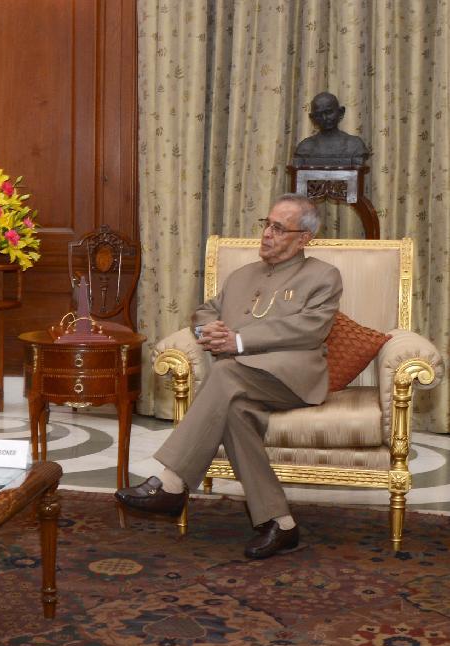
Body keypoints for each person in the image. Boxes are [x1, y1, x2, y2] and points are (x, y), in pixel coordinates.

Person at [115, 194, 341, 560]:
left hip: (291, 379)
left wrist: (237, 341)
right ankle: (280, 523)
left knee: (225, 371)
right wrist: (207, 330)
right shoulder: (242, 275)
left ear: (303, 238)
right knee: (234, 410)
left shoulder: (323, 275)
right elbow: (205, 311)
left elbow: (311, 328)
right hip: (240, 379)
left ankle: (172, 483)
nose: (267, 234)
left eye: (278, 228)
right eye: (266, 224)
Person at [292, 92, 370, 167]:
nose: (324, 118)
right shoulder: (304, 148)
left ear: (341, 112)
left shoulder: (355, 146)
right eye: (319, 114)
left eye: (329, 112)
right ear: (312, 118)